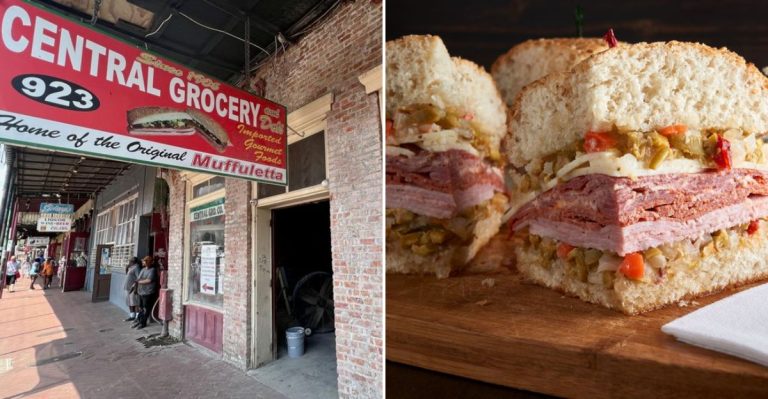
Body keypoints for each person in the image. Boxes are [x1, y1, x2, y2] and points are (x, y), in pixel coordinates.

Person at [133, 256, 158, 330]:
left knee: (146, 308)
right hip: (141, 291)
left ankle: (143, 323)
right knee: (140, 307)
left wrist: (139, 282)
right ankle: (139, 320)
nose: (143, 262)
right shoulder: (143, 269)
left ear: (148, 262)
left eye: (144, 261)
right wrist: (136, 284)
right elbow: (139, 278)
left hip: (148, 292)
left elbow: (148, 280)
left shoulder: (152, 270)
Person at [123, 257, 141, 322]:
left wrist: (135, 287)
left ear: (134, 261)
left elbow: (138, 278)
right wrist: (126, 268)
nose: (129, 262)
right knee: (130, 302)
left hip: (133, 288)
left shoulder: (136, 268)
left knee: (135, 303)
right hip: (128, 288)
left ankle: (137, 317)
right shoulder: (131, 267)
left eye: (130, 261)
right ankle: (132, 316)